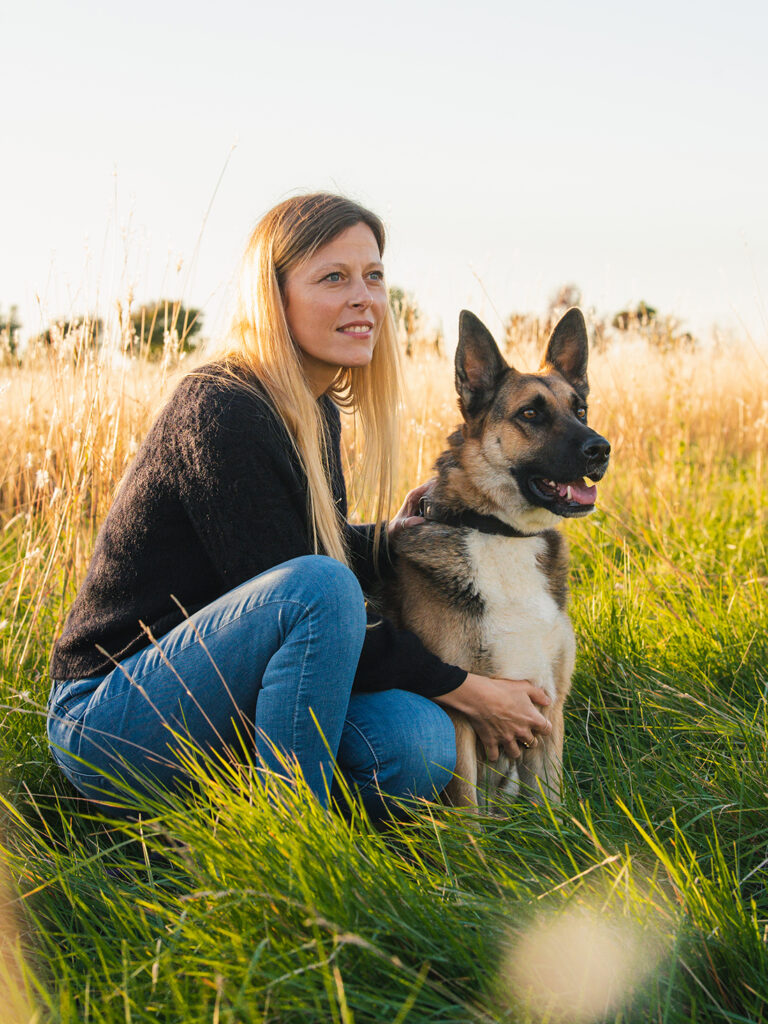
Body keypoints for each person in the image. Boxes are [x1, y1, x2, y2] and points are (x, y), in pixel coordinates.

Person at [46, 192, 552, 819]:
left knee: (419, 742)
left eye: (373, 277)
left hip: (226, 693)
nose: (363, 297)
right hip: (113, 718)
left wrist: (394, 536)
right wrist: (467, 689)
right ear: (275, 296)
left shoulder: (312, 409)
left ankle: (224, 800)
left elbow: (303, 547)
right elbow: (305, 595)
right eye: (332, 278)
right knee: (325, 590)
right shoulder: (221, 410)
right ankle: (290, 843)